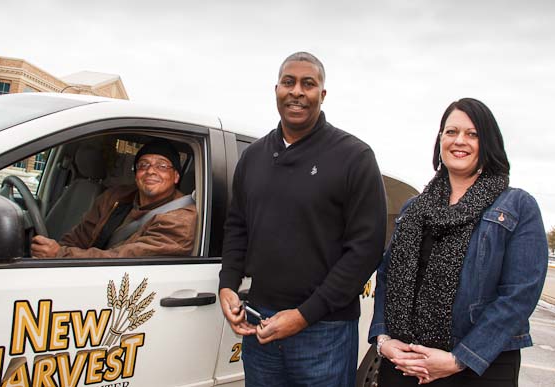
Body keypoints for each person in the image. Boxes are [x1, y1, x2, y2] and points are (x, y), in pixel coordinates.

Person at [219, 52, 387, 386]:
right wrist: (228, 283)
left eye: (308, 84)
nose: (297, 91)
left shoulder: (354, 157)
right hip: (260, 325)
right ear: (276, 89)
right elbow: (237, 226)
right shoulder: (253, 157)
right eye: (289, 82)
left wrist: (304, 315)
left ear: (322, 95)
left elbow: (365, 250)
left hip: (325, 332)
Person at [369, 98, 548, 386]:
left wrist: (459, 359)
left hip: (480, 368)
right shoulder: (414, 209)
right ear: (440, 140)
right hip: (405, 364)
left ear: (488, 142)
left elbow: (520, 294)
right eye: (451, 132)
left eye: (472, 134)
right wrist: (384, 339)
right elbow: (387, 276)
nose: (459, 141)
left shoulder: (518, 205)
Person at [31, 138, 197, 258]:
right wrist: (52, 254)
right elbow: (81, 235)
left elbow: (122, 259)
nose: (151, 171)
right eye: (143, 165)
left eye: (162, 166)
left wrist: (60, 254)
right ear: (136, 174)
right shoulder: (115, 196)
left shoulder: (181, 219)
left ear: (176, 176)